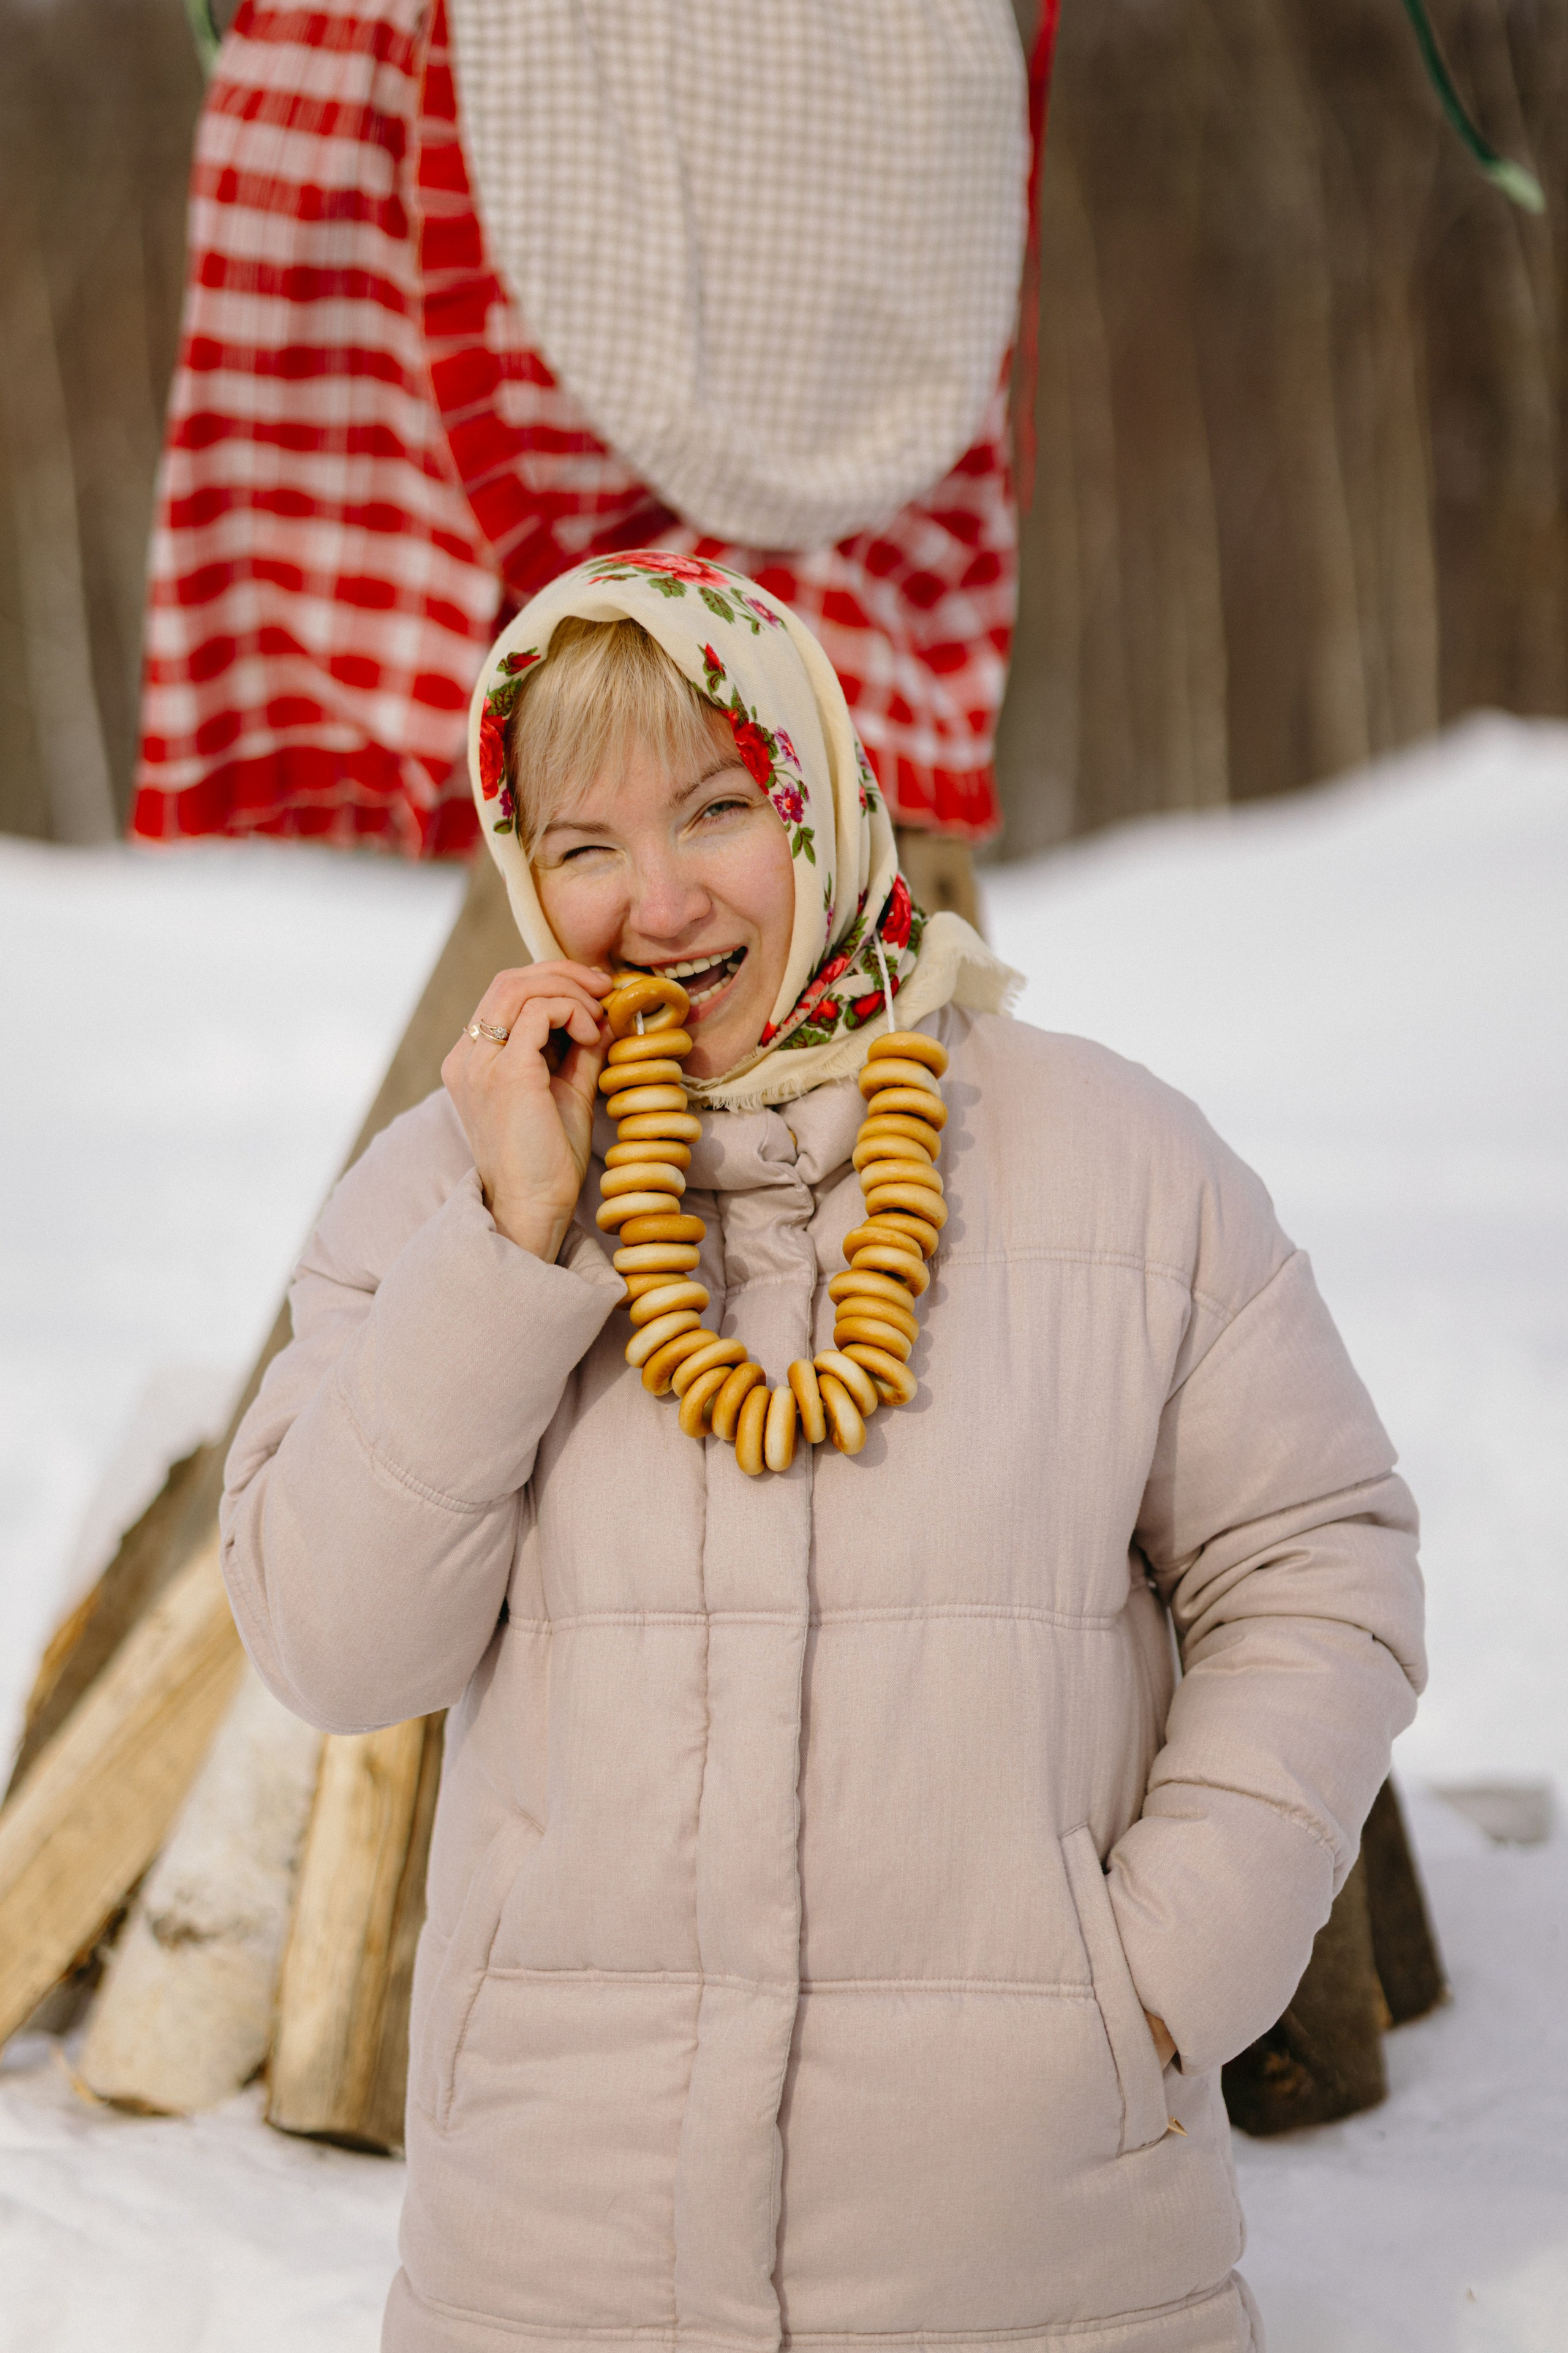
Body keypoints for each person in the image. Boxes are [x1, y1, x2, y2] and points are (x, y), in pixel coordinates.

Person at [221, 551, 1425, 2353]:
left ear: (826, 798)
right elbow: (331, 1643)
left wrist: (1164, 1973)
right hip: (560, 2279)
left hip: (1040, 2268)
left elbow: (1320, 1564)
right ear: (523, 866)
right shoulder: (440, 1191)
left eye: (719, 807)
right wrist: (511, 1246)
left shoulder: (1113, 1156)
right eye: (586, 843)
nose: (660, 897)